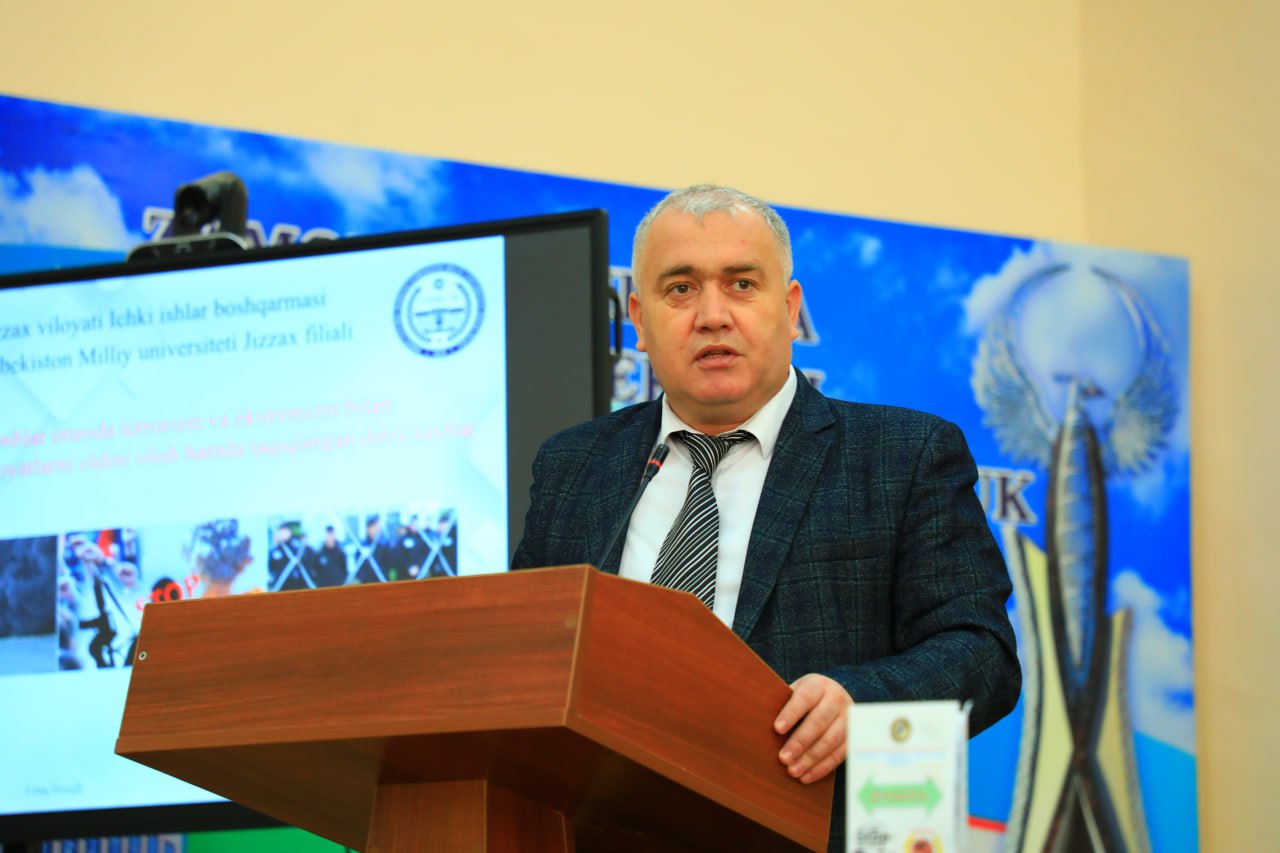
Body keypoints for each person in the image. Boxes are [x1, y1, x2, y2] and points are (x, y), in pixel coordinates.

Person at [510, 184, 1021, 851]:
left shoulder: (902, 454)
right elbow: (524, 655)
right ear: (638, 317)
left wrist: (860, 700)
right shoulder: (574, 465)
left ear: (789, 307)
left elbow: (980, 652)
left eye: (742, 284)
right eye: (680, 289)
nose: (712, 315)